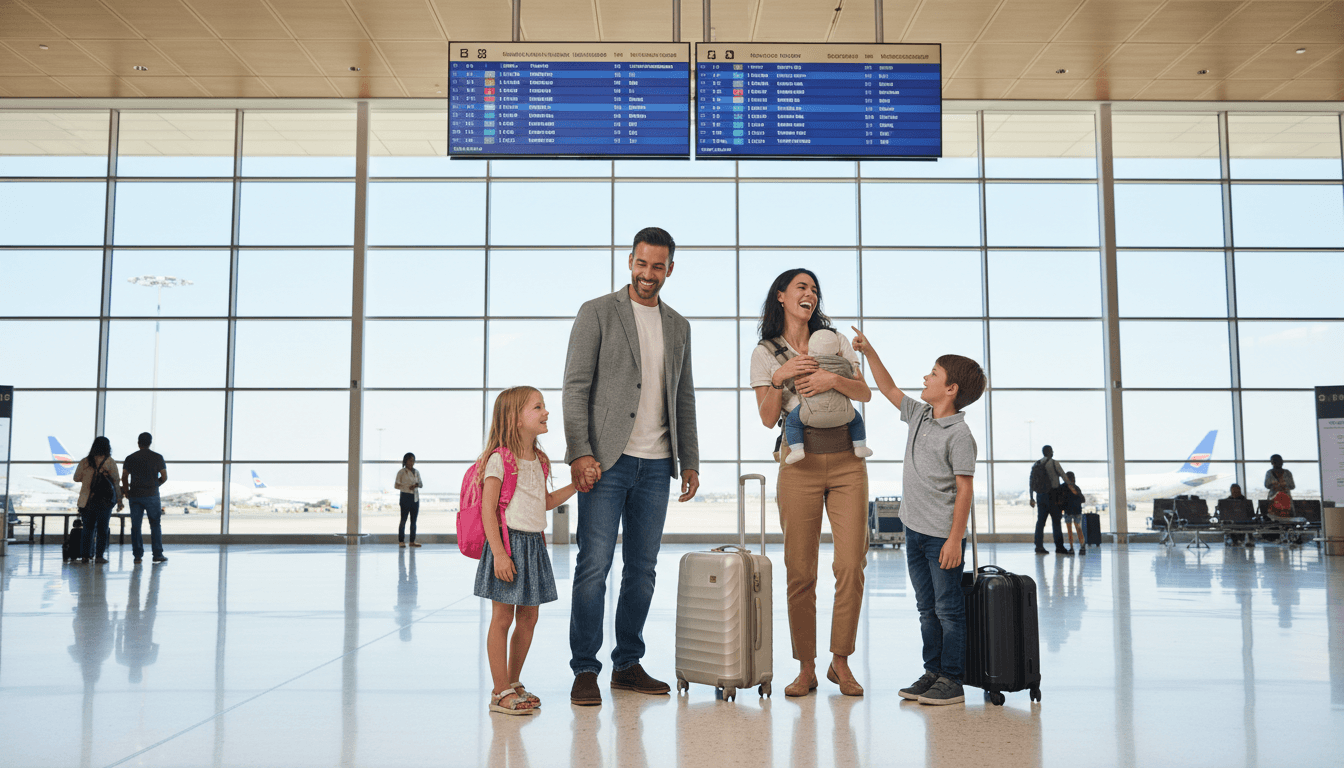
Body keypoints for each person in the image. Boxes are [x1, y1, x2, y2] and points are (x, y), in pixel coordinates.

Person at [563, 226, 700, 707]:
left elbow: (683, 396)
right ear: (630, 262)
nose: (649, 274)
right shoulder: (597, 312)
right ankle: (585, 668)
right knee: (593, 566)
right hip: (605, 462)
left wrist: (691, 460)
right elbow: (576, 387)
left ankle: (627, 664)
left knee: (642, 570)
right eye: (642, 264)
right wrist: (579, 451)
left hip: (658, 462)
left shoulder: (679, 326)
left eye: (658, 266)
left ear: (670, 268)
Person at [750, 269, 871, 698]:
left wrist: (830, 379)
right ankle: (806, 667)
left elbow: (864, 393)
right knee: (800, 571)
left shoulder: (834, 340)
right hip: (797, 465)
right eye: (802, 287)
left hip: (846, 462)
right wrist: (783, 377)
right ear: (781, 296)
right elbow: (767, 417)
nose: (810, 294)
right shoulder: (765, 352)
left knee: (850, 564)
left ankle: (841, 662)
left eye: (815, 289)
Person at [851, 327, 986, 706]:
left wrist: (955, 540)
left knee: (948, 610)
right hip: (914, 532)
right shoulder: (921, 415)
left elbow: (965, 490)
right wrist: (871, 351)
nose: (925, 378)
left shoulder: (960, 435)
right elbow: (889, 389)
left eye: (933, 375)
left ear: (951, 389)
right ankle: (933, 672)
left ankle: (952, 679)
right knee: (926, 609)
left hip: (941, 537)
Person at [474, 387, 580, 715]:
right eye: (538, 407)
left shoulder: (541, 460)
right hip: (508, 545)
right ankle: (498, 691)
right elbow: (488, 511)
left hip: (534, 545)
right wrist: (501, 555)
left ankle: (513, 682)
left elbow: (544, 502)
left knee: (529, 616)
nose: (546, 412)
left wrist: (576, 485)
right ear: (516, 419)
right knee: (503, 617)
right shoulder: (499, 459)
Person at [781, 328, 872, 465]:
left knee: (792, 421)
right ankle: (860, 446)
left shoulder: (804, 364)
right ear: (838, 351)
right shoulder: (844, 364)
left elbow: (791, 384)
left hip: (809, 415)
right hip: (843, 415)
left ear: (809, 351)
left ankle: (797, 449)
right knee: (857, 418)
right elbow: (857, 386)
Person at [73, 437, 122, 564]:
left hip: (86, 501)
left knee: (88, 529)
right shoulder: (110, 462)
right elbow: (116, 482)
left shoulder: (85, 461)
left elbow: (76, 478)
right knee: (102, 529)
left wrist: (88, 477)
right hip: (104, 502)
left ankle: (85, 556)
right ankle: (99, 556)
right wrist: (119, 500)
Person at [121, 432, 168, 564]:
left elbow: (124, 476)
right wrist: (155, 484)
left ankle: (137, 556)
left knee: (136, 526)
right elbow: (164, 476)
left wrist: (126, 491)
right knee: (155, 525)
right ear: (150, 442)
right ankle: (157, 554)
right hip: (152, 495)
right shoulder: (157, 457)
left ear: (138, 442)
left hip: (135, 495)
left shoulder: (130, 458)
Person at [1030, 445, 1070, 556]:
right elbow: (1064, 476)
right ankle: (1059, 547)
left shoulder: (1037, 464)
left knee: (1040, 523)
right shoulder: (1054, 463)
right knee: (1056, 522)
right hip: (1053, 496)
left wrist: (1031, 497)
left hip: (1040, 496)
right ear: (1050, 452)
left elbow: (1031, 481)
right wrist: (1071, 487)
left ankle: (1038, 546)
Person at [394, 452, 423, 548]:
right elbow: (396, 485)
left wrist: (416, 485)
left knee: (414, 521)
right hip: (405, 496)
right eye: (410, 460)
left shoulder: (417, 472)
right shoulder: (401, 472)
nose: (412, 462)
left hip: (415, 498)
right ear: (405, 461)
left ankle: (412, 541)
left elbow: (421, 484)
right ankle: (401, 541)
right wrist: (407, 487)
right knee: (403, 520)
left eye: (413, 460)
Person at [1060, 471, 1087, 555]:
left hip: (1075, 511)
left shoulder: (1075, 488)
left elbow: (1082, 499)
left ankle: (1080, 547)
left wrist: (1075, 492)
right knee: (1072, 530)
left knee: (1077, 529)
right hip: (1070, 511)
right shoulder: (1064, 487)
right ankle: (1074, 547)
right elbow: (1061, 500)